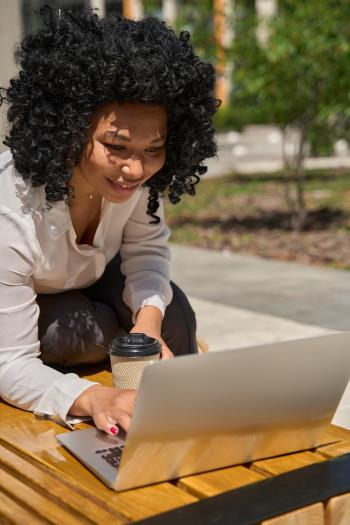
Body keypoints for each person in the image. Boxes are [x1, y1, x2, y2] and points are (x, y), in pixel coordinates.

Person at [0, 7, 217, 436]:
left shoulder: (131, 181)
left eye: (153, 149)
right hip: (34, 292)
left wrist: (149, 323)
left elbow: (147, 250)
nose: (135, 170)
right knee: (67, 335)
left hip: (89, 277)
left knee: (173, 317)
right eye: (115, 145)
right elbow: (9, 362)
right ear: (70, 129)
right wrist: (96, 398)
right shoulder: (11, 209)